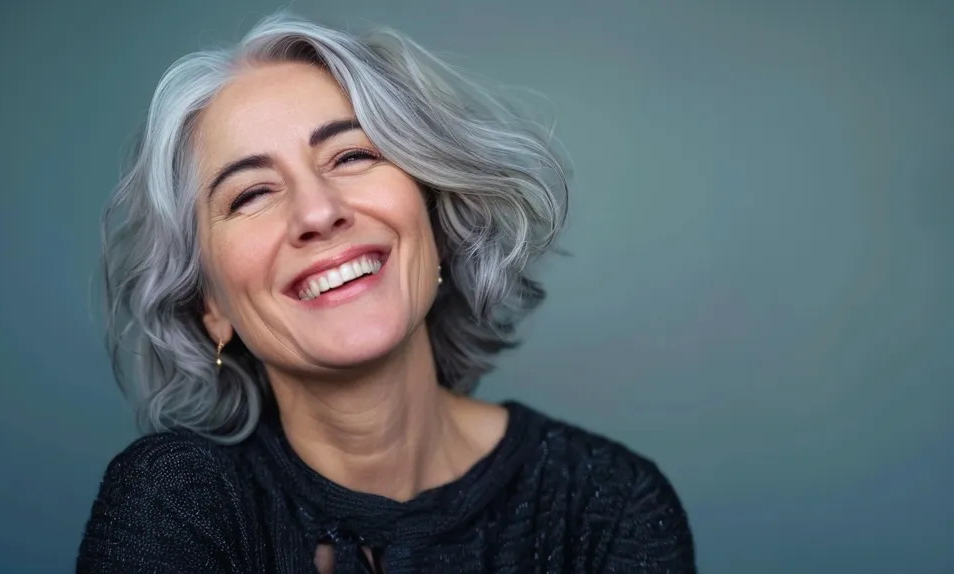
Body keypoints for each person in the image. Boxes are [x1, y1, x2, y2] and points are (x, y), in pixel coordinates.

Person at [77, 11, 697, 574]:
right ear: (208, 305)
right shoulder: (174, 502)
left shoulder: (608, 502)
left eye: (351, 155)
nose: (318, 211)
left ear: (436, 215)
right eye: (251, 194)